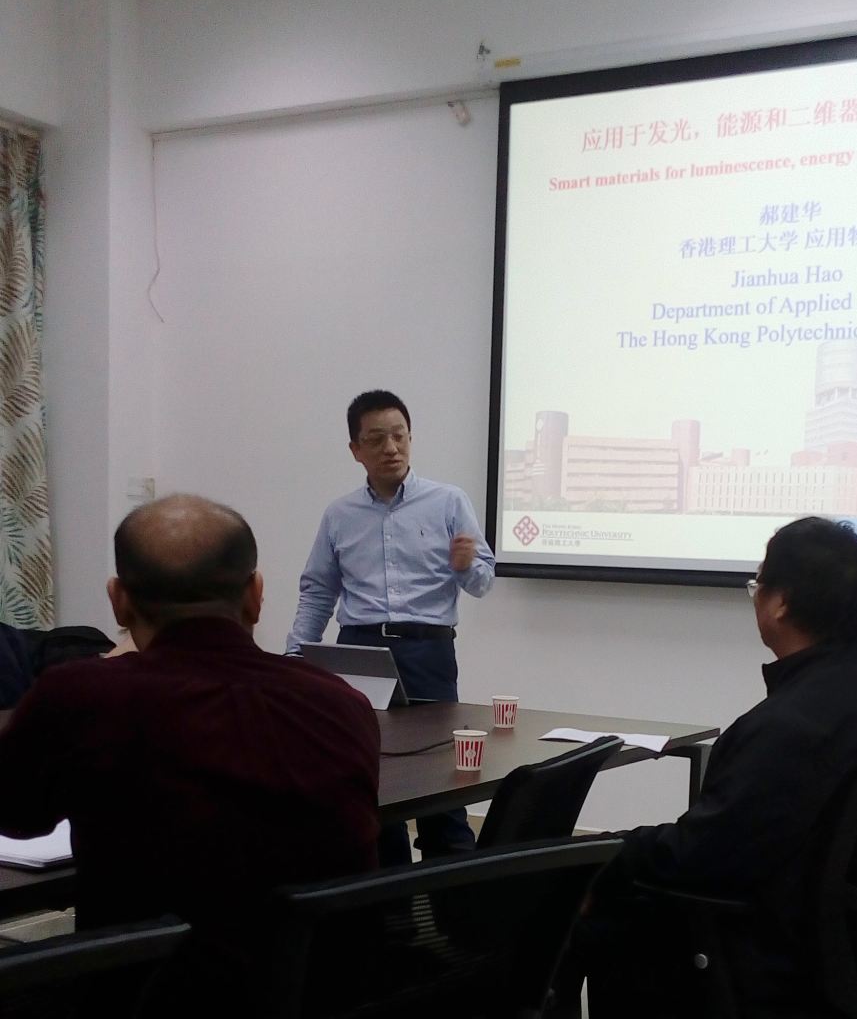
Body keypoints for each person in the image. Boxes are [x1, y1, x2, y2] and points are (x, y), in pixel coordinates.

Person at [0, 495, 382, 1008]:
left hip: (143, 999)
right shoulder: (343, 702)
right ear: (256, 595)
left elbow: (17, 817)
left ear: (118, 602)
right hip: (324, 996)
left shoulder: (79, 697)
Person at [570, 517, 857, 1018]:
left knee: (575, 903)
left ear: (781, 602)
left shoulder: (791, 726)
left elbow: (701, 857)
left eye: (758, 584)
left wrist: (600, 854)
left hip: (757, 951)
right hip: (836, 940)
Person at [287, 388, 495, 864]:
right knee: (369, 778)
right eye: (376, 439)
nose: (391, 448)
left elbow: (483, 582)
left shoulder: (448, 501)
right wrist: (296, 656)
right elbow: (318, 591)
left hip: (427, 651)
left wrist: (466, 566)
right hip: (358, 651)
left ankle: (453, 894)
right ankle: (389, 894)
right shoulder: (339, 514)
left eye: (399, 436)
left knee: (440, 777)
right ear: (355, 450)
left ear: (411, 438)